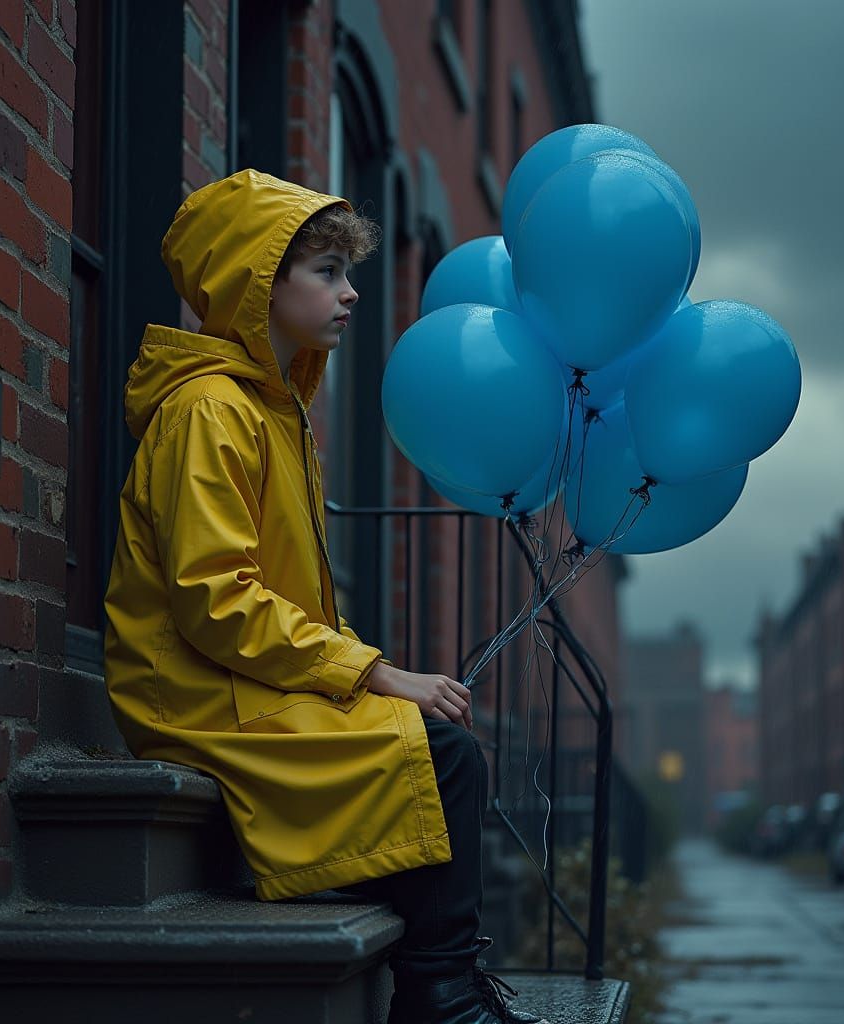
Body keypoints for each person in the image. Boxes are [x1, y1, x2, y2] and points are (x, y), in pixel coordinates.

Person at [103, 169, 547, 1024]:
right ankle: (442, 999)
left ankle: (439, 985)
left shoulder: (276, 413)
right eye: (326, 271)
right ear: (254, 278)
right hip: (197, 696)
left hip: (249, 681)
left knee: (437, 742)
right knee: (444, 757)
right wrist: (374, 673)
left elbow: (281, 601)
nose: (349, 294)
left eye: (348, 272)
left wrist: (362, 673)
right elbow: (217, 601)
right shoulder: (208, 412)